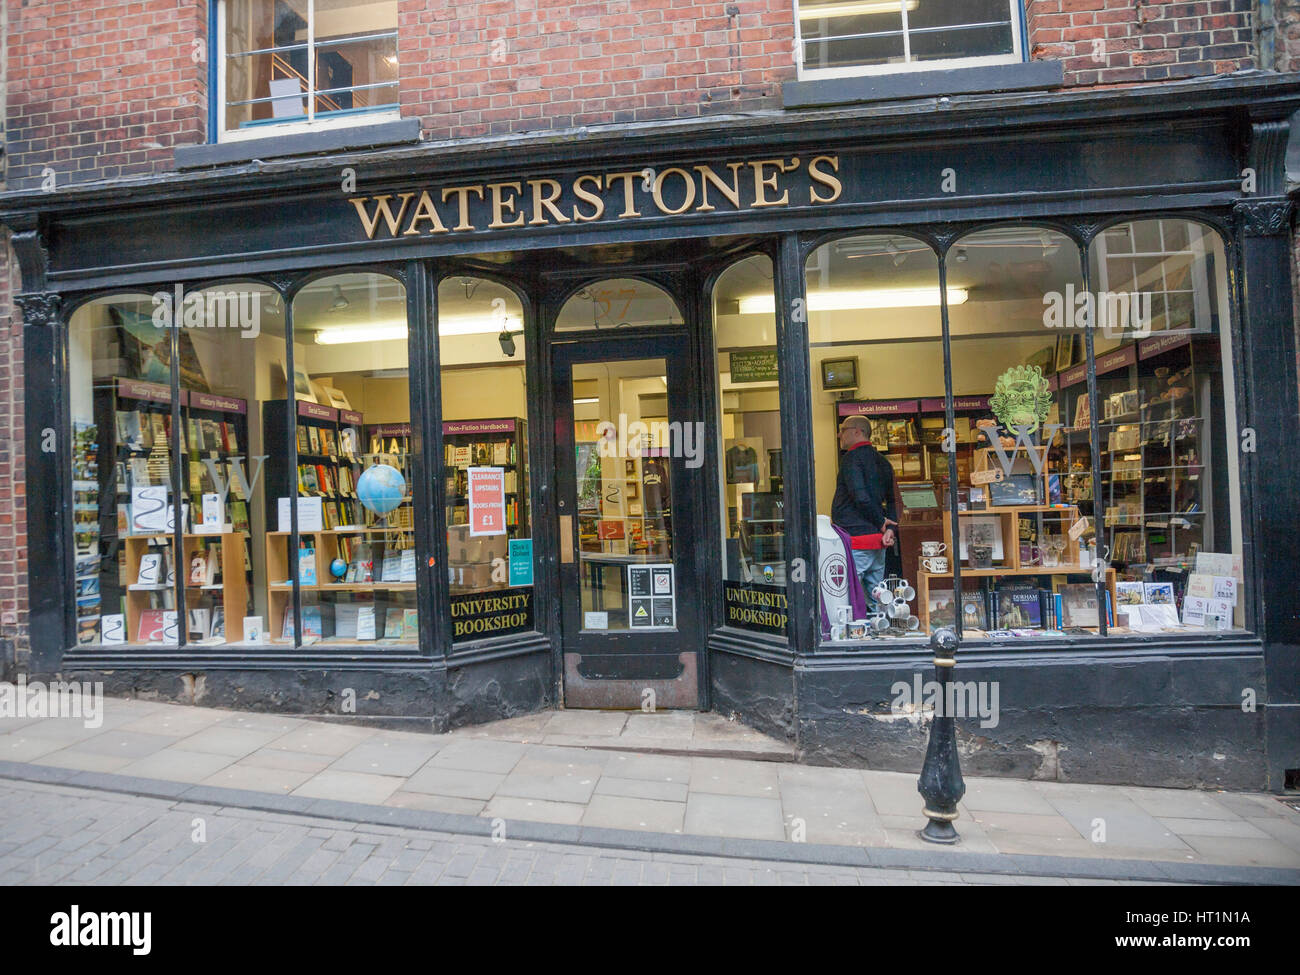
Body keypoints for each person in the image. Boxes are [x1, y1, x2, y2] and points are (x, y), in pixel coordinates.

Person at [831, 415, 898, 595]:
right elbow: (893, 500)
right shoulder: (884, 462)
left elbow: (860, 496)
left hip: (856, 540)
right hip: (879, 541)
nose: (839, 435)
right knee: (877, 596)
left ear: (857, 431)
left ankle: (859, 625)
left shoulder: (851, 459)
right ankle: (879, 623)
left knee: (849, 595)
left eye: (843, 431)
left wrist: (880, 521)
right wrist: (889, 529)